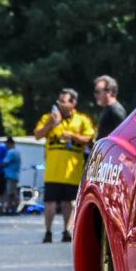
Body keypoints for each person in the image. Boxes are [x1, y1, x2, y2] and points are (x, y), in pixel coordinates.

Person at [32, 88, 96, 242]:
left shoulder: (82, 119)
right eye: (59, 101)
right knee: (49, 203)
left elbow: (90, 138)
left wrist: (73, 136)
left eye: (64, 101)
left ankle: (66, 231)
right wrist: (50, 125)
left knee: (69, 203)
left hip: (71, 171)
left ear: (73, 103)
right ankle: (48, 232)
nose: (60, 104)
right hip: (53, 171)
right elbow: (37, 135)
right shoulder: (49, 117)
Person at [93, 75, 126, 139]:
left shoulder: (115, 110)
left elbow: (124, 136)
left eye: (98, 91)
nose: (95, 95)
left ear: (109, 92)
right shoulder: (108, 109)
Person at [1, 137, 21, 214]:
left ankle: (10, 209)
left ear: (10, 143)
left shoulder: (11, 152)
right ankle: (14, 208)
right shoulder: (17, 152)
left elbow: (5, 162)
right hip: (15, 175)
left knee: (10, 193)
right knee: (14, 192)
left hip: (10, 175)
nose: (6, 145)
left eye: (7, 143)